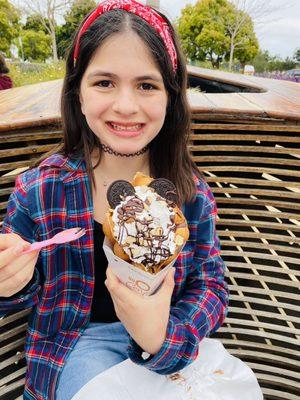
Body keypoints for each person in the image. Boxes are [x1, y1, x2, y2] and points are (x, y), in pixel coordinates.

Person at [0, 1, 229, 399]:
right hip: (71, 352)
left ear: (170, 97)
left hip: (168, 350)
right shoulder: (39, 191)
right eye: (104, 82)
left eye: (146, 85)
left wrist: (161, 333)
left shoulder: (190, 194)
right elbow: (18, 293)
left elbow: (210, 286)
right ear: (78, 94)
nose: (126, 105)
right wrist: (8, 284)